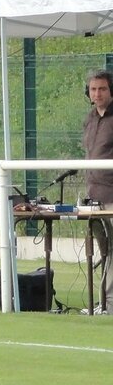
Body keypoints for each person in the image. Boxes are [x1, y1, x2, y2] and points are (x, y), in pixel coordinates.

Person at [83, 69, 113, 310]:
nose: (98, 93)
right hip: (93, 196)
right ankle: (105, 302)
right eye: (94, 89)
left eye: (102, 88)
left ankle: (109, 302)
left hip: (112, 195)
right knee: (105, 252)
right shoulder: (89, 119)